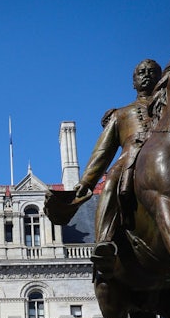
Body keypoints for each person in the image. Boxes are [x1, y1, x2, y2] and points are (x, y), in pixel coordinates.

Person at [68, 59, 162, 251]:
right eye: (141, 72)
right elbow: (102, 152)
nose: (146, 75)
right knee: (111, 182)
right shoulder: (121, 114)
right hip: (131, 159)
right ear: (133, 82)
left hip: (167, 158)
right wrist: (86, 182)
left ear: (161, 78)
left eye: (152, 72)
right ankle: (104, 241)